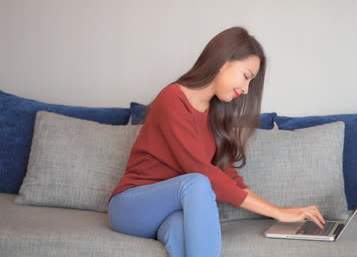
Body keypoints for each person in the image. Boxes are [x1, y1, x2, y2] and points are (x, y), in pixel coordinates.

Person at [107, 26, 326, 257]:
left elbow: (229, 179)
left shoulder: (217, 114)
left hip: (170, 214)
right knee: (198, 182)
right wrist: (278, 212)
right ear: (223, 61)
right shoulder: (172, 99)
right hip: (131, 207)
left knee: (184, 236)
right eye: (246, 76)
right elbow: (202, 174)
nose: (245, 89)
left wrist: (280, 210)